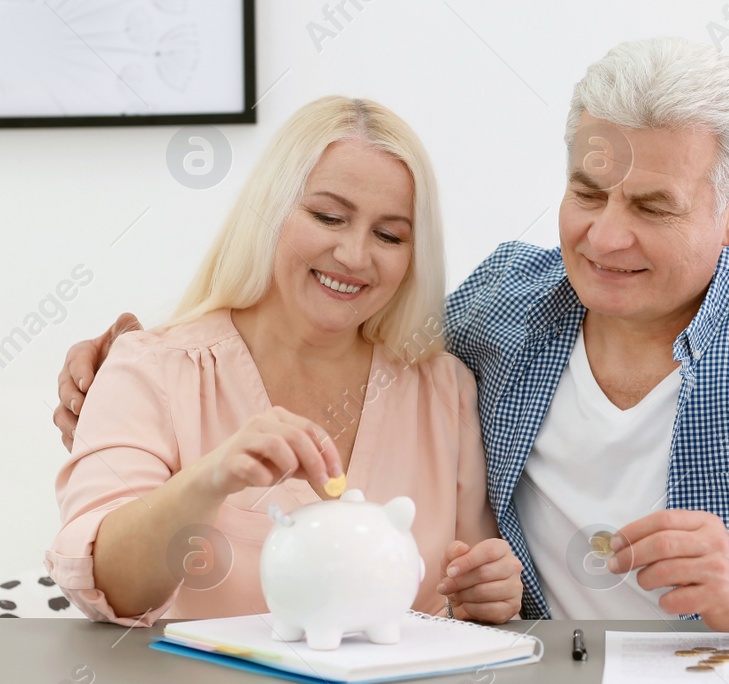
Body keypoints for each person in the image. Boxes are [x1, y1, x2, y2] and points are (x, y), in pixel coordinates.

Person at [57, 39, 729, 640]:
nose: (604, 236)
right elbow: (336, 317)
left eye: (651, 206)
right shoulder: (503, 311)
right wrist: (122, 371)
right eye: (588, 193)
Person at [46, 96, 522, 627]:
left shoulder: (443, 387)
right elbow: (108, 585)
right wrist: (212, 477)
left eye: (389, 235)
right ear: (271, 210)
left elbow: (464, 593)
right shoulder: (150, 370)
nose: (355, 256)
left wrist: (489, 593)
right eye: (328, 217)